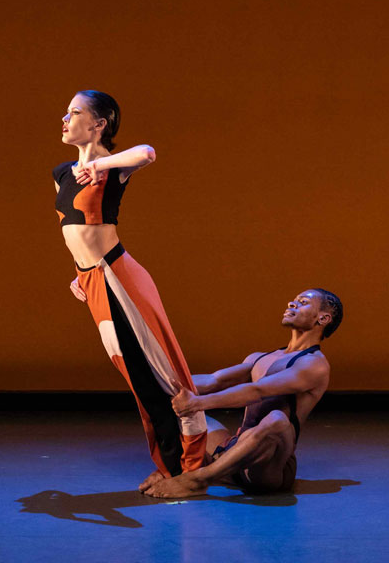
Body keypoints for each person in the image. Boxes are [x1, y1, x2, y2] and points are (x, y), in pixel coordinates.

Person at [53, 90, 207, 487]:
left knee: (160, 372)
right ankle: (172, 466)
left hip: (119, 276)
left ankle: (189, 469)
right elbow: (75, 230)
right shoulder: (61, 174)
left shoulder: (112, 168)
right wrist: (79, 271)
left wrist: (101, 163)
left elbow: (148, 153)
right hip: (93, 279)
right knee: (135, 376)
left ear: (99, 123)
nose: (65, 119)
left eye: (75, 112)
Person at [142, 288, 342, 498]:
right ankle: (172, 470)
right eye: (293, 300)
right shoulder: (261, 357)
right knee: (176, 408)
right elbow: (213, 380)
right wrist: (157, 382)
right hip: (234, 449)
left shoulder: (314, 365)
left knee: (277, 420)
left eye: (302, 302)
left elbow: (257, 391)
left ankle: (198, 480)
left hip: (266, 468)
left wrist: (197, 403)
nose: (292, 304)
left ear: (323, 318)